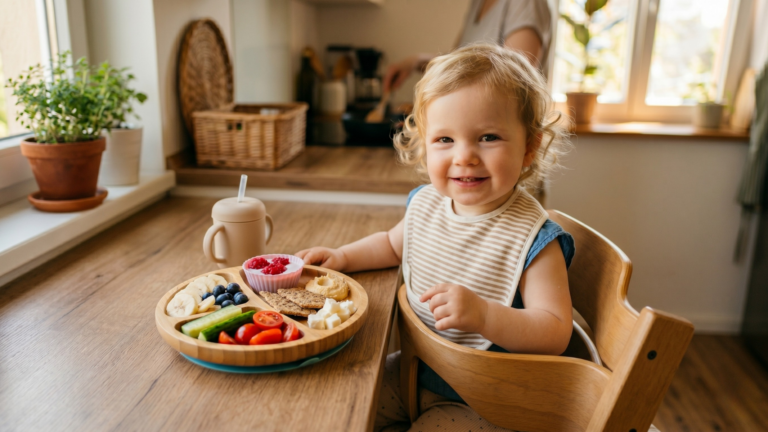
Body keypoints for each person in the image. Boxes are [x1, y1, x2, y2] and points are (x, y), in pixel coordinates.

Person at [297, 44, 573, 431]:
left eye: (488, 137)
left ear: (529, 147)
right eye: (445, 140)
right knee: (336, 409)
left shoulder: (534, 239)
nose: (465, 156)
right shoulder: (427, 204)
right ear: (424, 146)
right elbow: (393, 244)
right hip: (416, 368)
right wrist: (343, 257)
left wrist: (484, 315)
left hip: (485, 399)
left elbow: (554, 331)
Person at [383, 0, 552, 94]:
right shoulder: (477, 4)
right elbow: (459, 62)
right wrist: (415, 61)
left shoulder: (526, 3)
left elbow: (514, 80)